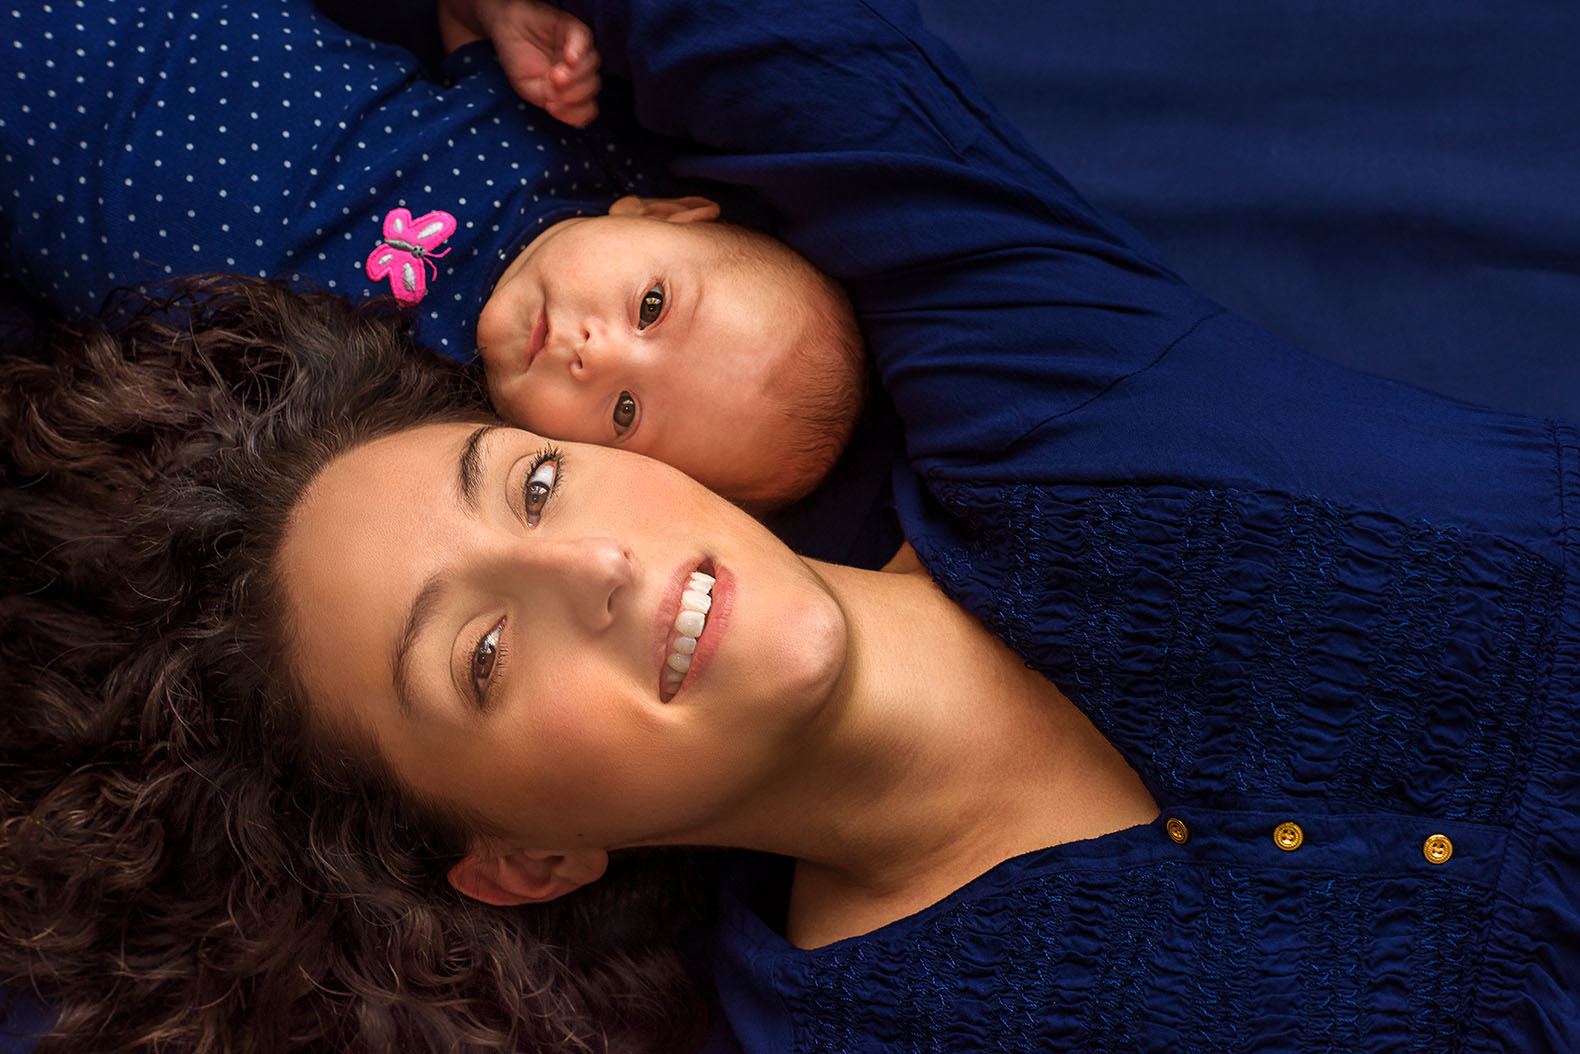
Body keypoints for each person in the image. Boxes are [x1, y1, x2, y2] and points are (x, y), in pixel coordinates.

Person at [6, 3, 1579, 1054]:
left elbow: (773, 42)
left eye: (535, 484)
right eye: (481, 653)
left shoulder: (1033, 388)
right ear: (522, 859)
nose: (594, 568)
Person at [0, 0, 865, 511]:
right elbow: (456, 19)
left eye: (627, 413)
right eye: (650, 308)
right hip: (163, 36)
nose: (596, 353)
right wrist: (505, 20)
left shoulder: (428, 429)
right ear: (667, 214)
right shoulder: (575, 148)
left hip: (42, 208)